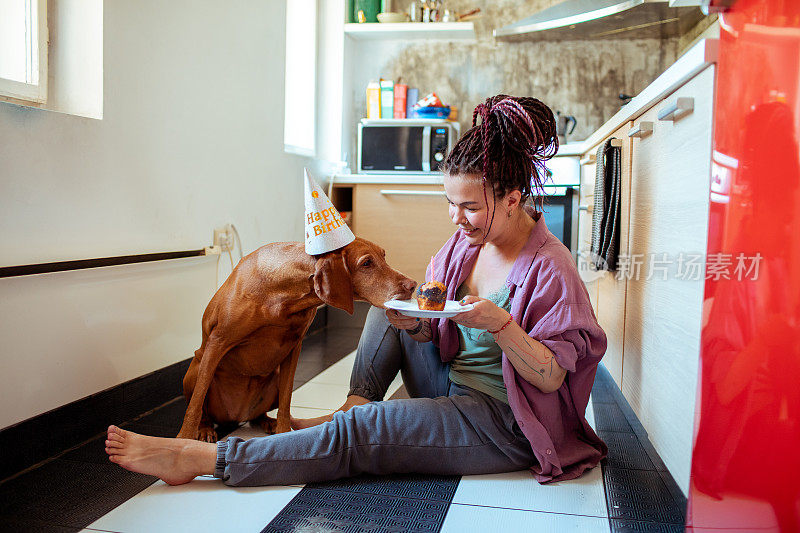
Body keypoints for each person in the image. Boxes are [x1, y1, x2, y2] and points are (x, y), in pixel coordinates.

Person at [105, 95, 608, 487]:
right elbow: (431, 332)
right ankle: (352, 404)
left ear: (514, 199)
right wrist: (411, 322)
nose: (456, 220)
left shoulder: (551, 269)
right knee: (381, 306)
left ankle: (202, 458)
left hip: (504, 419)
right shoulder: (463, 248)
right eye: (450, 204)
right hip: (450, 382)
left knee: (369, 432)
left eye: (470, 208)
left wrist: (500, 325)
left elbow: (550, 378)